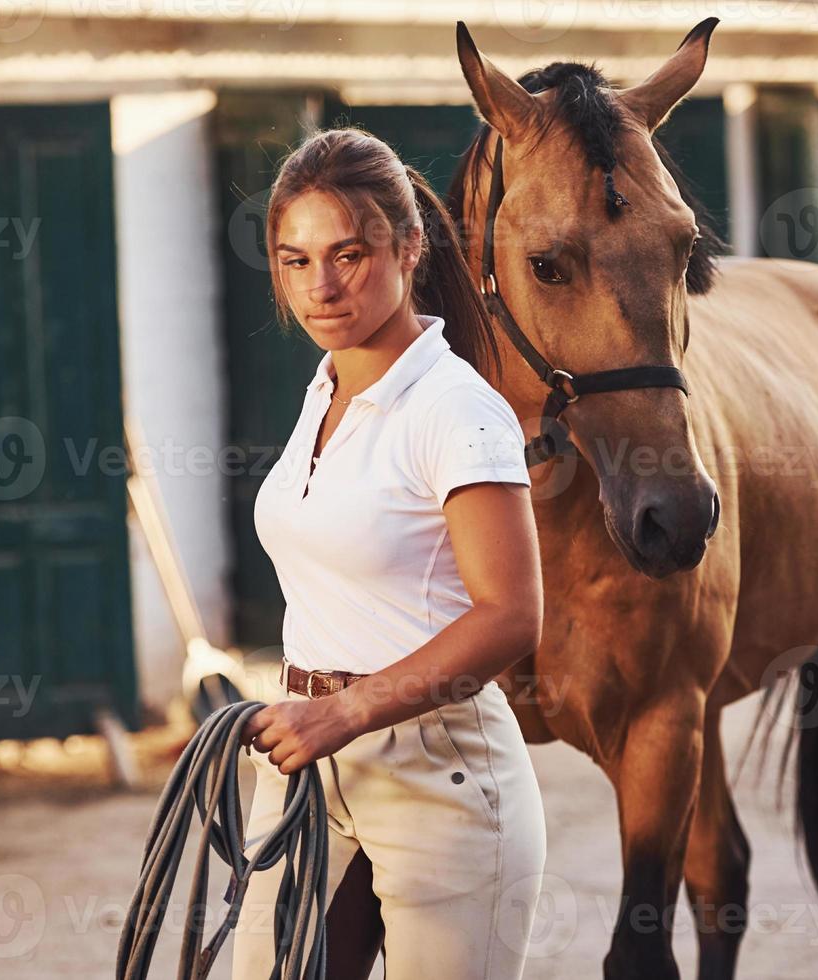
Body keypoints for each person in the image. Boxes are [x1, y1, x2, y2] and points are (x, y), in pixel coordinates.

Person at [229, 127, 547, 980]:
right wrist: (311, 716)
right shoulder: (328, 385)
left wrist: (343, 713)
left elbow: (512, 615)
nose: (320, 287)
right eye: (295, 261)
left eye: (348, 254)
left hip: (437, 769)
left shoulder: (456, 410)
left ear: (408, 248)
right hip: (306, 763)